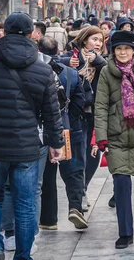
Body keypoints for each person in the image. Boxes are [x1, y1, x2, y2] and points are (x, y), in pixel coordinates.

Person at [0, 12, 64, 260]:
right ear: (32, 34)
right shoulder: (42, 69)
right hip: (27, 146)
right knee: (26, 203)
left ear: (4, 33)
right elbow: (52, 111)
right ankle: (23, 254)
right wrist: (56, 144)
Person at [94, 30, 134, 249]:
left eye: (127, 48)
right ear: (113, 51)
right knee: (121, 184)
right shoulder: (106, 72)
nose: (123, 52)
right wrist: (101, 139)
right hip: (117, 137)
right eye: (118, 49)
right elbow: (101, 106)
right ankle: (125, 232)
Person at [37, 37, 89, 231]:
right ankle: (76, 208)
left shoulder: (36, 72)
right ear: (58, 50)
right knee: (73, 170)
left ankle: (49, 219)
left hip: (44, 131)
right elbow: (80, 104)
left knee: (47, 175)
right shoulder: (71, 74)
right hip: (68, 128)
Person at [61, 26, 108, 210]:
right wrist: (68, 63)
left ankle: (83, 187)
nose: (97, 43)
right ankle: (78, 192)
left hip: (95, 115)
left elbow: (114, 75)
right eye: (94, 39)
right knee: (75, 157)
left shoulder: (102, 62)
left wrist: (99, 62)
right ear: (84, 40)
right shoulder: (71, 57)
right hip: (74, 115)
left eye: (100, 41)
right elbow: (55, 66)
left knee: (93, 155)